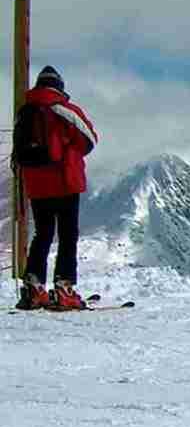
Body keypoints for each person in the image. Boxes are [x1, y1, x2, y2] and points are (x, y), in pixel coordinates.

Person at [12, 66, 98, 310]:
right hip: (64, 180)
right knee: (68, 235)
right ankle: (64, 288)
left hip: (36, 183)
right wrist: (71, 149)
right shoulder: (64, 109)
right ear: (59, 86)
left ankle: (33, 288)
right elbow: (90, 139)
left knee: (43, 233)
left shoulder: (25, 112)